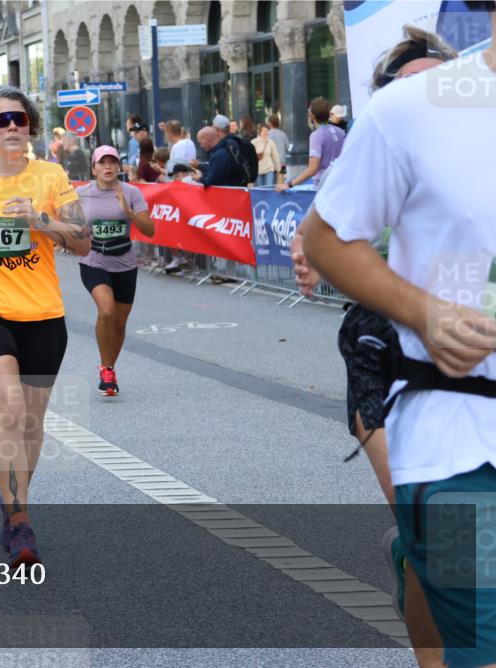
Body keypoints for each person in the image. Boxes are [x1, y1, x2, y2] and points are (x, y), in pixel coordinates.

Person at [290, 24, 460, 668]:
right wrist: (308, 256)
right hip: (384, 341)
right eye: (407, 89)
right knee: (437, 531)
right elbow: (323, 227)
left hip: (470, 347)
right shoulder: (380, 145)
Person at [0, 85, 91, 568]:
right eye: (1, 121)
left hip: (44, 316)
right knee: (9, 409)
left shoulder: (51, 176)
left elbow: (85, 242)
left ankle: (17, 505)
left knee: (30, 422)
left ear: (30, 127)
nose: (11, 127)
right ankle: (18, 520)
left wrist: (41, 220)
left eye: (19, 120)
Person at [76, 146, 154, 396]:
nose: (108, 167)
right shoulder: (81, 194)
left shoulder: (131, 192)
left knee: (120, 323)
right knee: (107, 311)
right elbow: (68, 224)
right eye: (102, 163)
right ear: (94, 167)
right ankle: (104, 368)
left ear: (119, 167)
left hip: (125, 264)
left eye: (113, 162)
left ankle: (109, 367)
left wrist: (128, 211)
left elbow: (150, 230)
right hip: (93, 262)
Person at [276, 97, 345, 191]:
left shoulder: (316, 135)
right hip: (340, 183)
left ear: (311, 115)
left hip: (323, 187)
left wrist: (289, 185)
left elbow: (312, 169)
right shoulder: (340, 132)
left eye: (309, 110)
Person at [267, 113, 290, 180]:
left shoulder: (268, 134)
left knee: (272, 184)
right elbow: (288, 148)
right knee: (281, 182)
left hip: (272, 163)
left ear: (270, 123)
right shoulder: (283, 134)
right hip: (282, 162)